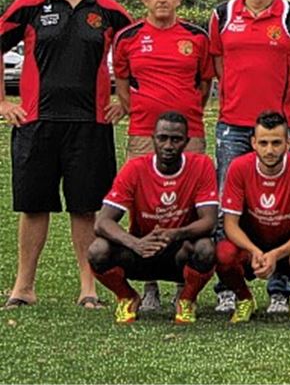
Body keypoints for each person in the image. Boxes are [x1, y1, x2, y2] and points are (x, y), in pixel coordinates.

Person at [0, 0, 133, 309]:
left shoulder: (109, 11)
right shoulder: (29, 5)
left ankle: (89, 288)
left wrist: (125, 101)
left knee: (85, 208)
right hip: (36, 123)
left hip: (90, 124)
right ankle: (23, 287)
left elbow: (138, 51)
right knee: (33, 206)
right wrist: (3, 102)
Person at [209, 0, 290, 313]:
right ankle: (229, 287)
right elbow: (219, 64)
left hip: (278, 129)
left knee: (281, 208)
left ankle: (279, 288)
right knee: (227, 205)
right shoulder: (222, 15)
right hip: (233, 126)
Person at [113, 0, 214, 311]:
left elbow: (204, 84)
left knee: (188, 206)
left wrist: (189, 115)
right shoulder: (128, 37)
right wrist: (139, 111)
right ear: (145, 0)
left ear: (178, 0)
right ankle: (149, 283)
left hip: (190, 132)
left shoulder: (196, 37)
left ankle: (184, 284)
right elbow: (123, 84)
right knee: (144, 208)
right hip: (144, 133)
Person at [88, 112, 218, 324]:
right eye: (162, 138)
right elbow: (102, 222)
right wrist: (135, 243)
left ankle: (186, 299)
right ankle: (127, 297)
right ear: (153, 139)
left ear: (187, 141)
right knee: (97, 250)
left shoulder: (201, 165)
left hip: (179, 252)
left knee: (205, 248)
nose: (168, 146)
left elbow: (209, 222)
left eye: (176, 139)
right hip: (142, 252)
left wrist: (175, 234)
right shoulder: (135, 168)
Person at [215, 111, 290, 323]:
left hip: (287, 250)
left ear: (288, 143)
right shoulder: (239, 167)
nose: (269, 150)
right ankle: (244, 298)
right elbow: (230, 225)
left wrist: (276, 254)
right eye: (263, 143)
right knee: (223, 253)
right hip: (252, 248)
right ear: (253, 143)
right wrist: (254, 251)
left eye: (276, 143)